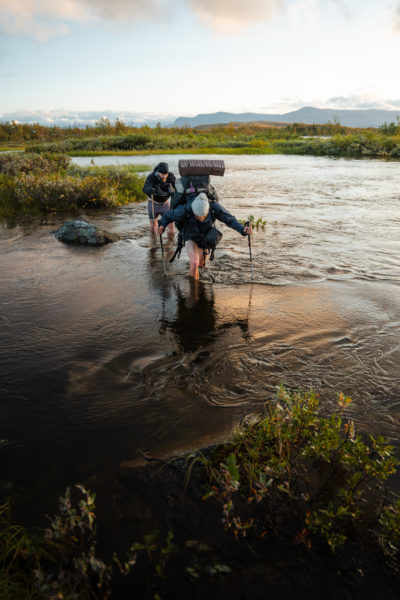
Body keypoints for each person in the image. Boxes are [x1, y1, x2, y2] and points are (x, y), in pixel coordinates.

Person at [157, 192, 252, 280]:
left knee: (202, 264)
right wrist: (162, 226)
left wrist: (242, 229)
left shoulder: (213, 207)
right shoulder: (184, 209)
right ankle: (194, 292)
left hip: (205, 235)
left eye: (203, 215)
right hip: (190, 235)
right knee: (194, 262)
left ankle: (201, 285)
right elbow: (168, 216)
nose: (200, 218)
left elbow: (229, 219)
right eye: (197, 215)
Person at [143, 162, 176, 234]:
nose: (164, 176)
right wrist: (149, 189)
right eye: (162, 174)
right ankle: (154, 243)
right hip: (153, 203)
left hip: (166, 204)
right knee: (153, 226)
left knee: (171, 225)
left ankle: (170, 243)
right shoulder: (151, 177)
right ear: (158, 172)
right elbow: (144, 189)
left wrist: (173, 192)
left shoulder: (171, 176)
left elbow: (177, 187)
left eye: (165, 174)